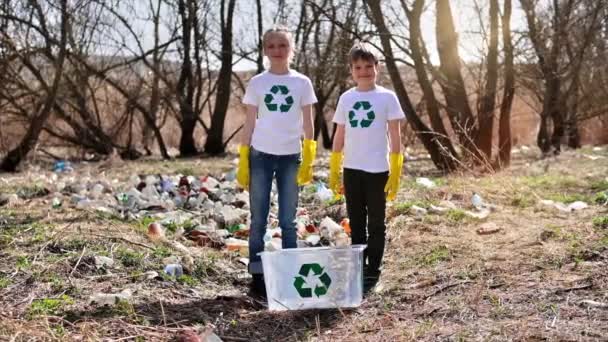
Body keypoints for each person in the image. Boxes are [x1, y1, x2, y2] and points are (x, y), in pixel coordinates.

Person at [236, 27, 317, 296]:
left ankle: (291, 274)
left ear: (291, 49)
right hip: (260, 155)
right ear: (265, 51)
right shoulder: (258, 82)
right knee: (258, 218)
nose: (277, 50)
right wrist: (243, 158)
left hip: (290, 157)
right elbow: (249, 122)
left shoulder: (302, 82)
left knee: (288, 220)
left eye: (282, 45)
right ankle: (258, 277)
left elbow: (309, 122)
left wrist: (309, 156)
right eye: (271, 46)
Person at [329, 42, 405, 292]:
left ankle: (374, 271)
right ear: (351, 70)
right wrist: (334, 165)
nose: (363, 71)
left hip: (378, 170)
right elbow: (339, 133)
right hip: (352, 170)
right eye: (358, 67)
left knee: (376, 223)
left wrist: (396, 168)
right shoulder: (347, 98)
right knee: (356, 222)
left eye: (368, 66)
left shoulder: (387, 97)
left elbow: (395, 136)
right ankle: (360, 267)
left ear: (377, 68)